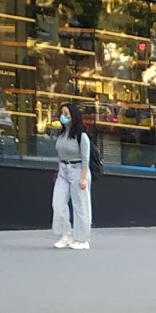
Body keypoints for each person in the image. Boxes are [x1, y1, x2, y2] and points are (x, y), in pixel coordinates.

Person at [50, 103, 93, 250]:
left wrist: (83, 178)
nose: (63, 116)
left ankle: (82, 238)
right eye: (62, 113)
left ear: (73, 116)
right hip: (63, 170)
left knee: (80, 205)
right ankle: (65, 235)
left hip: (77, 169)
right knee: (58, 204)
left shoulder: (81, 136)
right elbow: (60, 155)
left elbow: (85, 158)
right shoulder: (62, 134)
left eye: (66, 114)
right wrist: (59, 171)